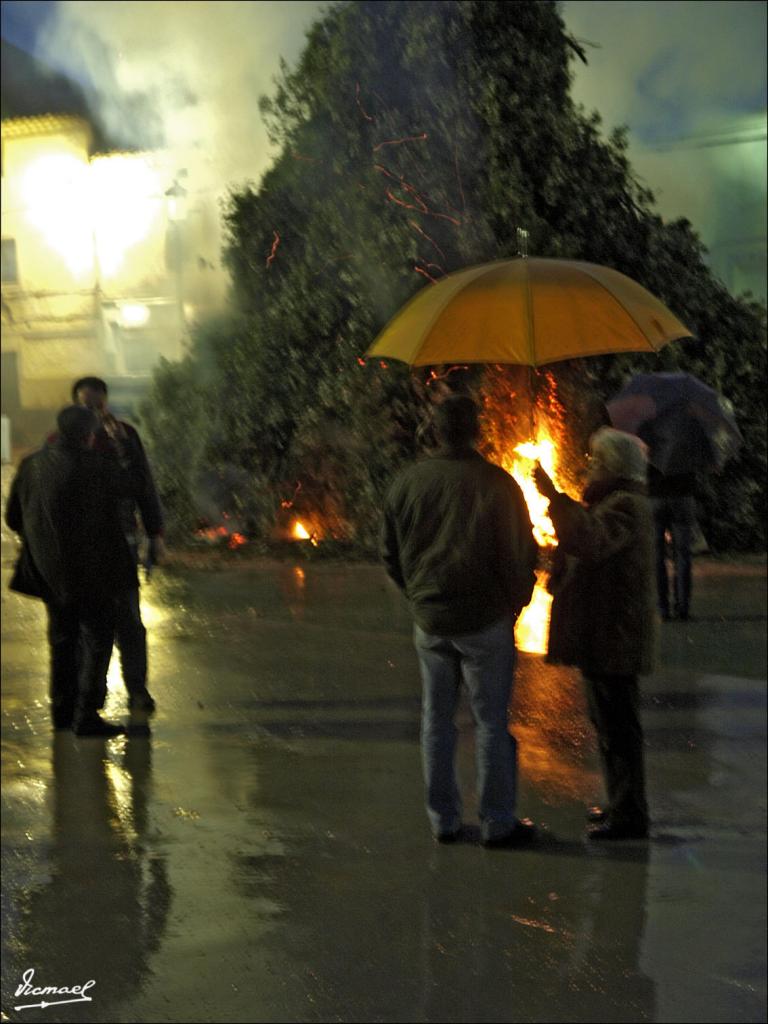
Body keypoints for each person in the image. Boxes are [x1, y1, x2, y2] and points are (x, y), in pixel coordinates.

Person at [381, 395, 538, 847]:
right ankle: (497, 822)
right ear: (476, 431)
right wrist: (515, 601)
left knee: (436, 720)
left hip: (430, 621)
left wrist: (418, 596)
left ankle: (443, 821)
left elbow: (390, 554)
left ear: (434, 431)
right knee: (490, 722)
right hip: (485, 620)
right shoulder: (499, 485)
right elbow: (518, 553)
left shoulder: (406, 483)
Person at [533, 427, 655, 840]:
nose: (591, 467)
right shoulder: (614, 503)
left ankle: (629, 814)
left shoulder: (626, 506)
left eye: (597, 461)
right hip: (606, 632)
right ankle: (622, 805)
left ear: (615, 465)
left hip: (613, 634)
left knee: (618, 725)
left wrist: (554, 498)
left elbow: (593, 540)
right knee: (609, 724)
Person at [6, 405, 143, 736]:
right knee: (98, 639)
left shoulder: (31, 465)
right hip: (95, 569)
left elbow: (12, 517)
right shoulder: (99, 466)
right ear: (89, 434)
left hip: (49, 570)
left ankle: (62, 713)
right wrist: (124, 447)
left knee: (62, 638)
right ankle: (87, 715)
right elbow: (132, 488)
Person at [70, 376, 164, 713]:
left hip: (120, 544)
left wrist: (155, 534)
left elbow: (143, 485)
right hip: (79, 550)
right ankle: (89, 697)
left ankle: (137, 689)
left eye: (97, 404)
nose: (93, 411)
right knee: (87, 628)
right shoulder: (64, 443)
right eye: (85, 405)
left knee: (129, 622)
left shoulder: (123, 437)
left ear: (106, 403)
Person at [646, 465, 697, 621]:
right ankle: (683, 607)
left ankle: (663, 609)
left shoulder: (651, 442)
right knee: (683, 555)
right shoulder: (689, 441)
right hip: (682, 497)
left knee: (657, 555)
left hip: (655, 499)